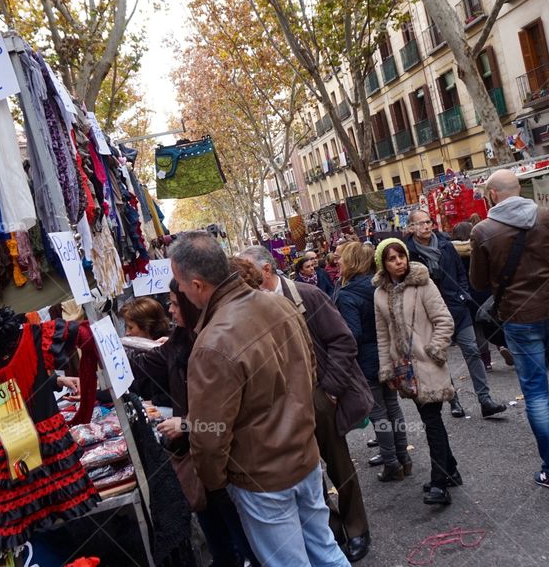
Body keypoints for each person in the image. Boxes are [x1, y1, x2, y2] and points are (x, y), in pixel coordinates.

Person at [170, 232, 351, 567]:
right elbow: (308, 370)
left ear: (196, 284)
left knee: (296, 560)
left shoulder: (212, 343)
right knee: (325, 549)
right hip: (302, 456)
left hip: (262, 477)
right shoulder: (277, 303)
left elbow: (209, 436)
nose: (179, 292)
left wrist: (217, 481)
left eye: (180, 284)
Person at [240, 247, 373, 563]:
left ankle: (357, 528)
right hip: (283, 404)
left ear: (267, 269)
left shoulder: (306, 295)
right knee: (307, 471)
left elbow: (343, 340)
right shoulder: (249, 308)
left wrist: (329, 391)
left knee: (339, 464)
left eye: (247, 271)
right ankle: (332, 529)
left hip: (318, 394)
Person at [470, 169, 549, 490]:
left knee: (536, 392)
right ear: (517, 189)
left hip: (518, 316)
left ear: (493, 194)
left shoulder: (483, 230)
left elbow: (478, 282)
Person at [127, 281, 257, 566]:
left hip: (225, 456)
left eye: (174, 303)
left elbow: (226, 408)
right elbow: (141, 370)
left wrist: (185, 424)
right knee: (216, 531)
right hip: (200, 454)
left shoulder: (214, 340)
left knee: (242, 534)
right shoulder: (179, 340)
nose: (170, 311)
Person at [372, 239, 459, 505]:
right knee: (430, 418)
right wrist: (386, 369)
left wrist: (433, 350)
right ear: (382, 264)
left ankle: (440, 482)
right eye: (392, 258)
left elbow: (444, 320)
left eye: (401, 256)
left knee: (432, 421)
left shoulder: (423, 283)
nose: (399, 261)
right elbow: (383, 335)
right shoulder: (379, 294)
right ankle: (451, 470)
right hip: (404, 370)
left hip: (428, 365)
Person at [404, 210, 507, 419]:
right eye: (421, 223)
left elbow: (461, 272)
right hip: (429, 312)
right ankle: (453, 400)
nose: (426, 226)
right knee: (439, 357)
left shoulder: (445, 245)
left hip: (457, 307)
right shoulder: (408, 253)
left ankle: (485, 399)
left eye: (428, 221)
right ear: (411, 227)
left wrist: (462, 294)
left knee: (472, 349)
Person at [334, 242, 412, 482]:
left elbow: (352, 334)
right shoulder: (381, 287)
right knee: (393, 407)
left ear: (352, 262)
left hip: (368, 360)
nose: (338, 262)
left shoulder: (347, 295)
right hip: (388, 354)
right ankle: (404, 458)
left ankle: (391, 463)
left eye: (342, 259)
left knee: (378, 412)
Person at [450, 222, 513, 371]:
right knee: (493, 322)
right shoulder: (479, 246)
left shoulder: (450, 251)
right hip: (484, 291)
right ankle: (503, 345)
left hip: (466, 293)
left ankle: (486, 361)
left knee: (478, 329)